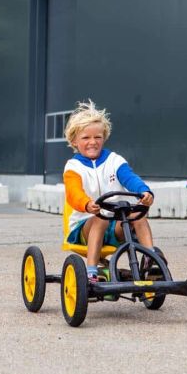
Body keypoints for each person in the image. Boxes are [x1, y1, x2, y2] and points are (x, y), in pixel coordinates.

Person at [62, 100, 155, 284]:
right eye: (86, 138)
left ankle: (150, 258)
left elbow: (130, 178)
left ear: (103, 138)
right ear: (74, 141)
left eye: (97, 137)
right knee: (100, 219)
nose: (92, 142)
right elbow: (73, 193)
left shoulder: (114, 161)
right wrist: (87, 204)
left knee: (138, 215)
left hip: (116, 223)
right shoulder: (73, 167)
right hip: (83, 226)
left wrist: (144, 191)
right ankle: (91, 271)